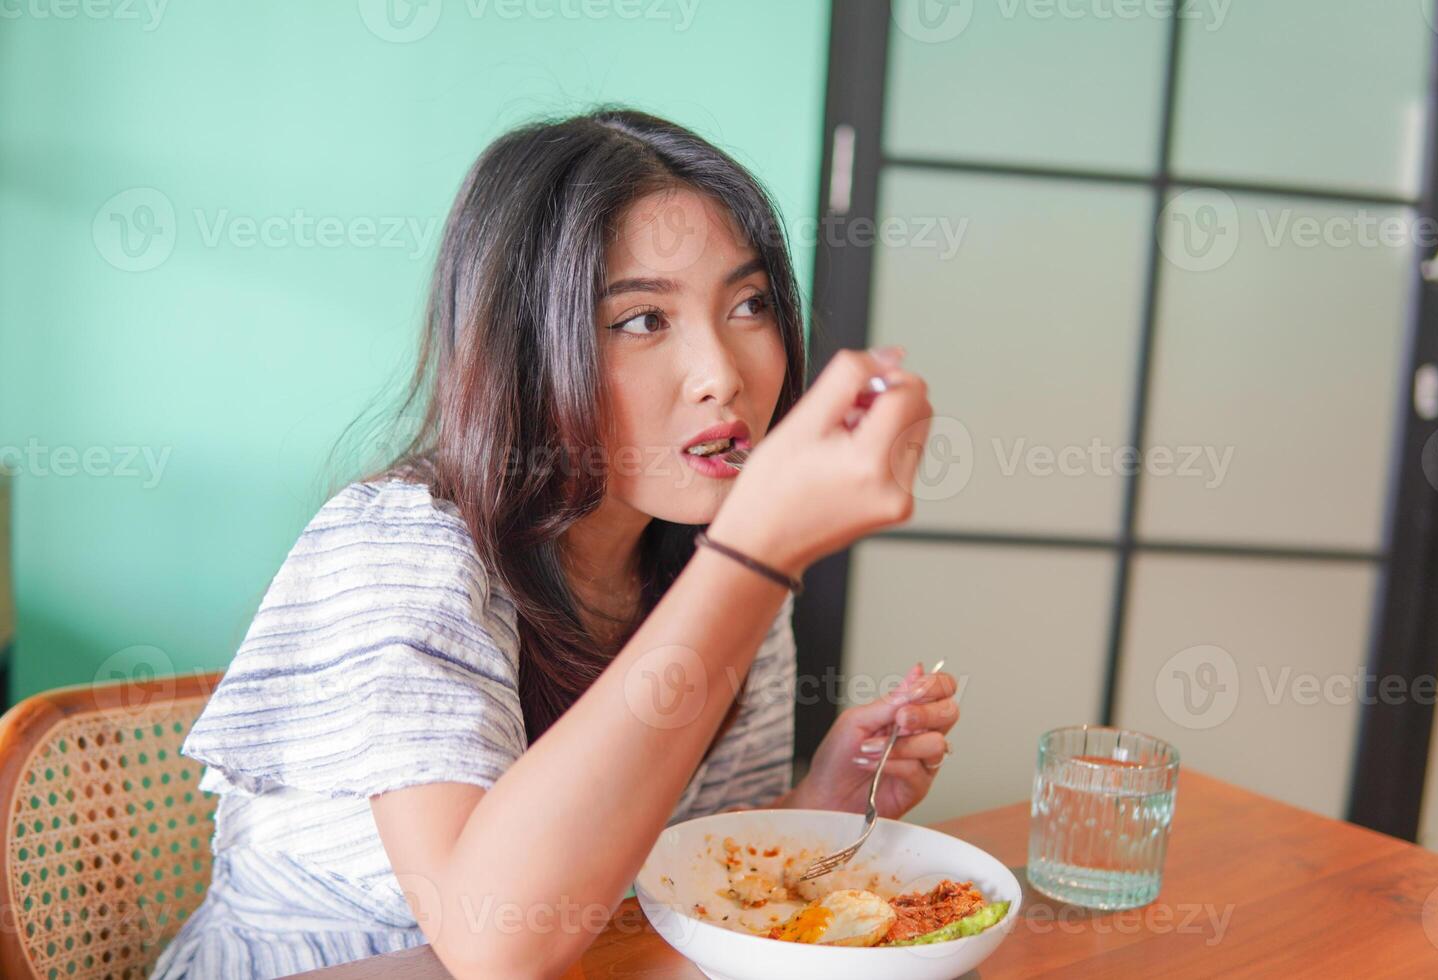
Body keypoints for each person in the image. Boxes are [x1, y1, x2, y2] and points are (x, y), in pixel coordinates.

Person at [148, 107, 958, 980]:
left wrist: (815, 807)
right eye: (643, 320)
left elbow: (681, 898)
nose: (723, 372)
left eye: (749, 303)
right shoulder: (401, 545)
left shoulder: (705, 557)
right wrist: (758, 556)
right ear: (524, 351)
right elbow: (494, 945)